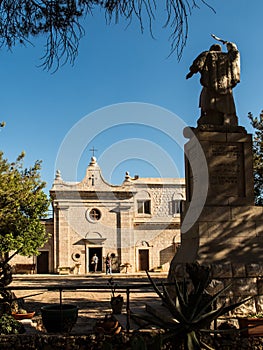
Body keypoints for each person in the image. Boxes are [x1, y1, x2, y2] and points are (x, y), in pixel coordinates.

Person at [186, 41, 240, 126]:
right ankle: (227, 118)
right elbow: (235, 58)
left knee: (206, 100)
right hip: (225, 86)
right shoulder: (227, 57)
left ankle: (209, 117)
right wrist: (229, 44)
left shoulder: (207, 54)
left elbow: (198, 63)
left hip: (210, 84)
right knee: (226, 103)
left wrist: (191, 72)